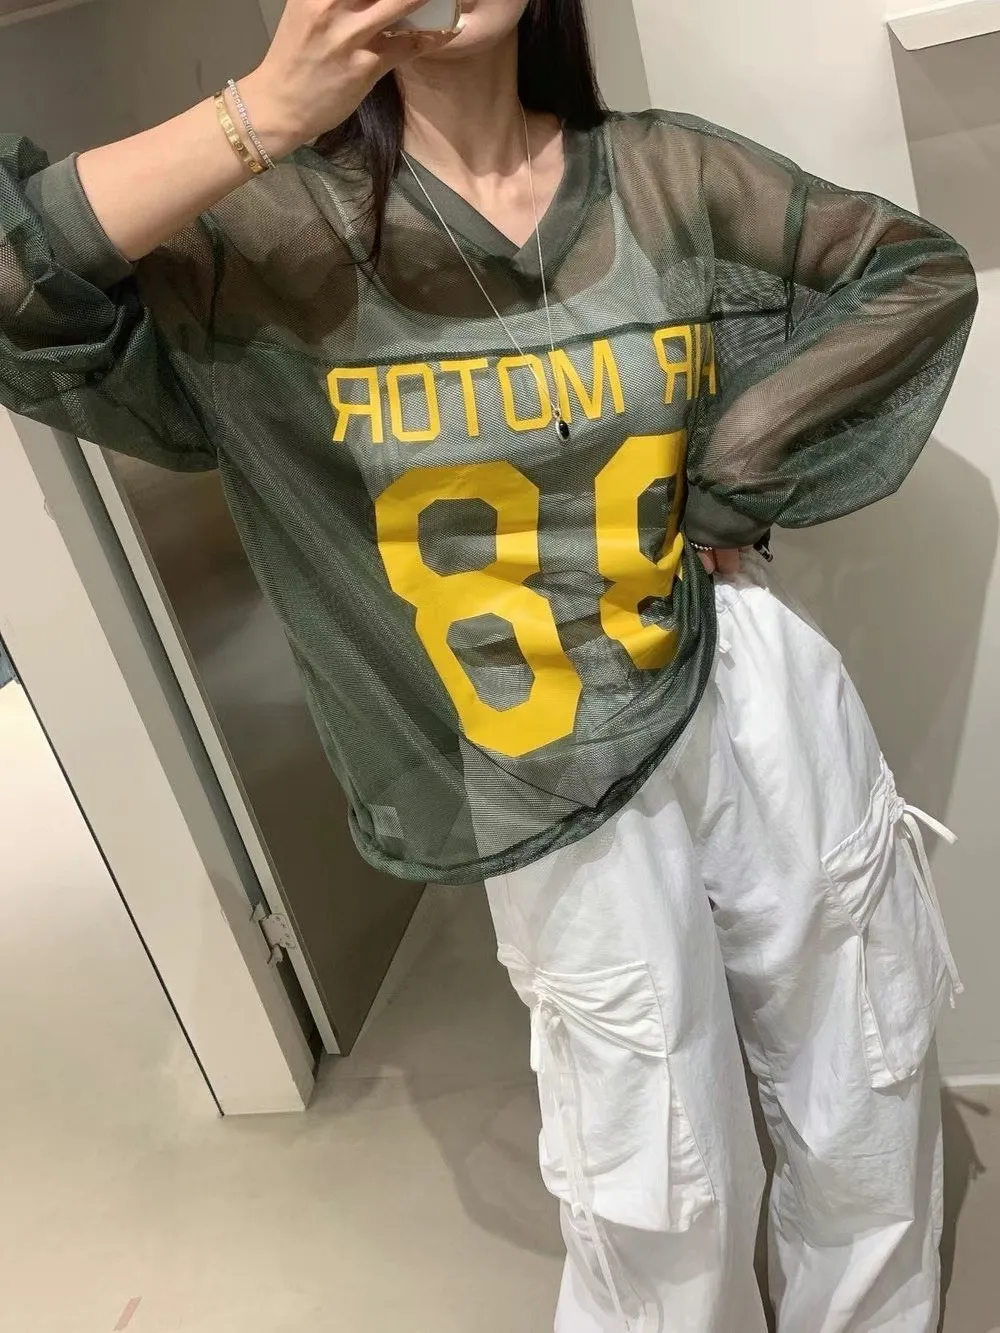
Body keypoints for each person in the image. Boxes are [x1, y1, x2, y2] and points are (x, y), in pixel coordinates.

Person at [0, 0, 978, 1327]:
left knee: (858, 1067)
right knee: (651, 1165)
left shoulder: (666, 177)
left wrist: (738, 469)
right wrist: (266, 112)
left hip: (747, 681)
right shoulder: (276, 235)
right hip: (535, 748)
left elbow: (911, 274)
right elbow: (18, 284)